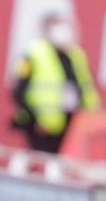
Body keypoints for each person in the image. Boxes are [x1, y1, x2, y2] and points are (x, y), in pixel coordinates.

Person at [10, 14, 99, 154]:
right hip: (38, 121)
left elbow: (85, 86)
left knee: (54, 158)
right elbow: (18, 90)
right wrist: (33, 116)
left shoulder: (76, 55)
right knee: (39, 155)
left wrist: (92, 113)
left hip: (67, 120)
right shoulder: (35, 53)